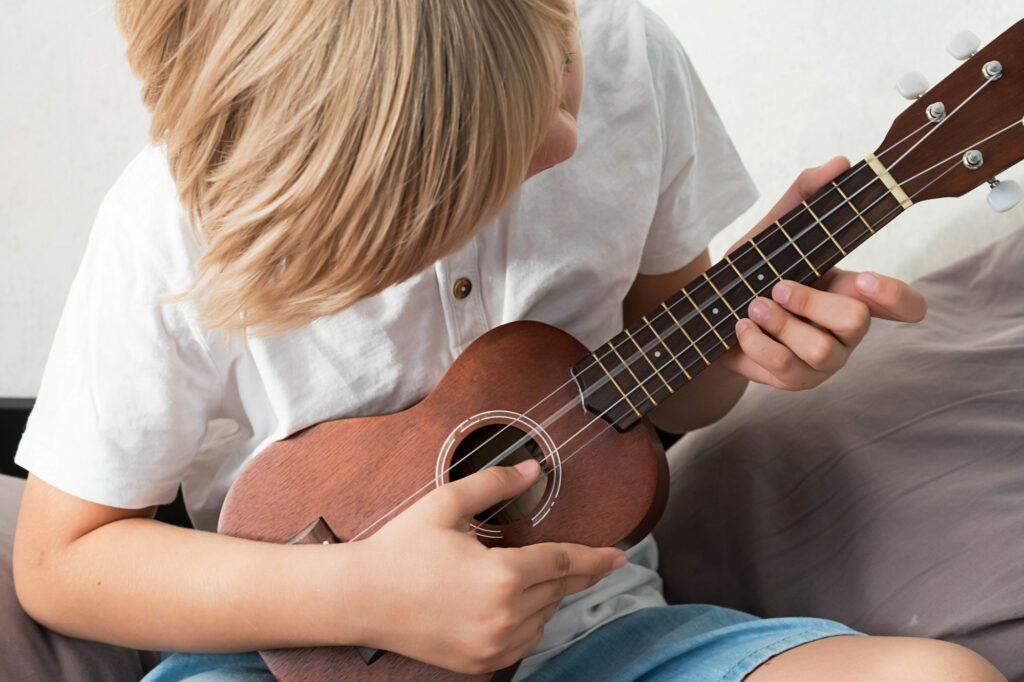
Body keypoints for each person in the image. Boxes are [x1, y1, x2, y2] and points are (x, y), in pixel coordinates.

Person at [10, 1, 1005, 680]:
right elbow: (60, 561)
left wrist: (740, 338)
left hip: (591, 631)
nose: (566, 141)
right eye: (485, 157)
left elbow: (671, 401)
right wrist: (357, 597)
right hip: (281, 653)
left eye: (560, 62)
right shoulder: (177, 220)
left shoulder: (626, 57)